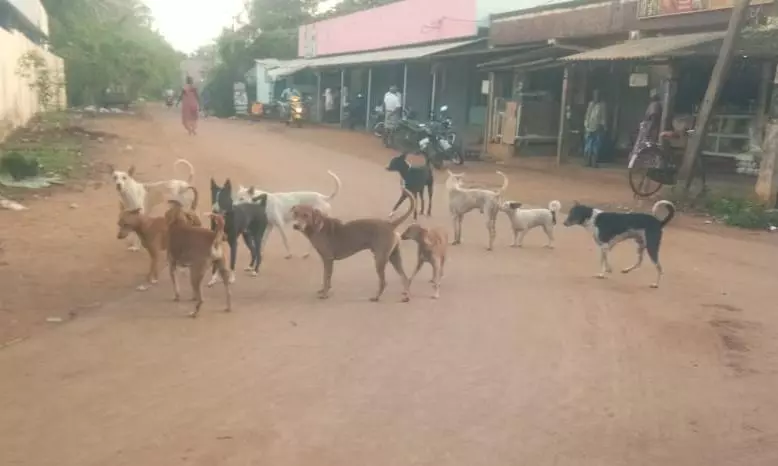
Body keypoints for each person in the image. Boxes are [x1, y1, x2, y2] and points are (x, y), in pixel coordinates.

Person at [628, 89, 664, 163]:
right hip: (648, 127)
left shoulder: (654, 105)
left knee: (645, 146)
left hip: (649, 128)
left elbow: (654, 118)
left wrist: (649, 130)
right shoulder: (656, 104)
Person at [583, 89, 607, 168]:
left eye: (597, 95)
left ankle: (593, 162)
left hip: (598, 127)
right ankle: (587, 162)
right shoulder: (590, 104)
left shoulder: (602, 105)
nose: (596, 96)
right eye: (594, 95)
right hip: (589, 127)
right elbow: (587, 115)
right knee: (588, 145)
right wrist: (586, 126)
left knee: (596, 146)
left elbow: (603, 117)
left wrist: (603, 126)